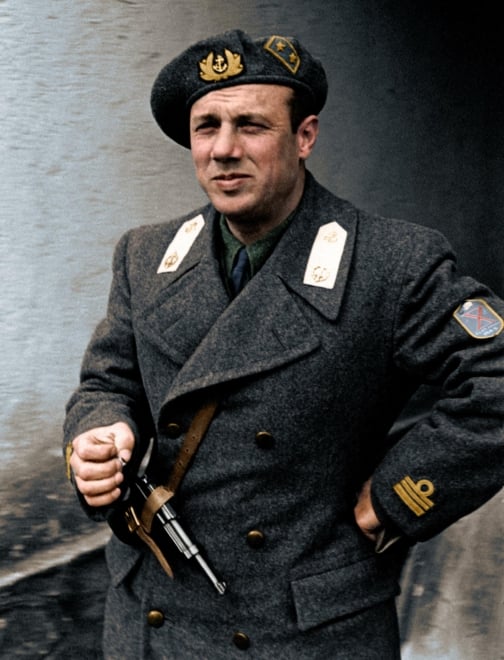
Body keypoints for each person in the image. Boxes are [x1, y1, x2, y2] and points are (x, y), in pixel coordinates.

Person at [64, 29, 504, 659]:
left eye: (251, 126)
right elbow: (107, 382)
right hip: (152, 613)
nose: (223, 150)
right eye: (206, 127)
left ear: (305, 137)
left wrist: (395, 498)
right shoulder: (145, 255)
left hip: (302, 628)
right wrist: (96, 436)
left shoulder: (390, 263)